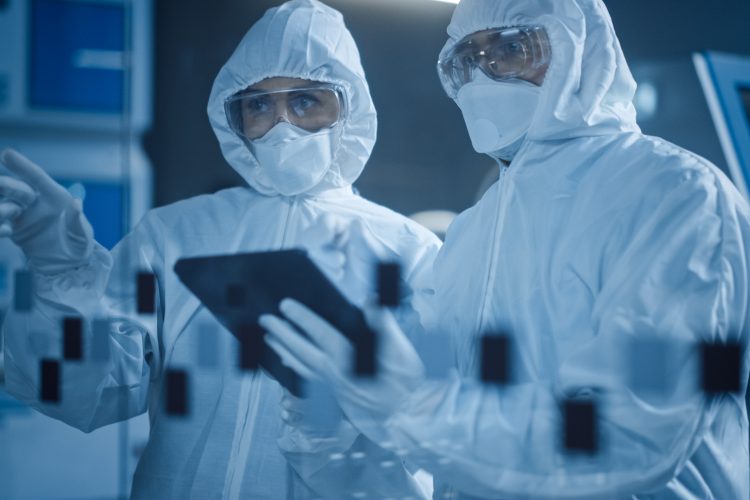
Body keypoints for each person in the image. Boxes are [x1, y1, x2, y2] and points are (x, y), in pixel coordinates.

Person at [260, 0, 750, 498]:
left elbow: (632, 434)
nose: (484, 75)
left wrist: (415, 405)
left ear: (579, 47)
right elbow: (440, 449)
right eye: (468, 59)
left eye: (512, 49)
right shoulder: (476, 229)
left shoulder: (675, 194)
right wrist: (331, 393)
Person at [0, 0, 440, 498]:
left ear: (349, 110)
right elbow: (88, 390)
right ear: (234, 117)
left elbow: (432, 438)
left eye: (305, 102)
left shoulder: (408, 253)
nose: (280, 126)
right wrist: (61, 272)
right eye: (257, 105)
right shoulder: (175, 235)